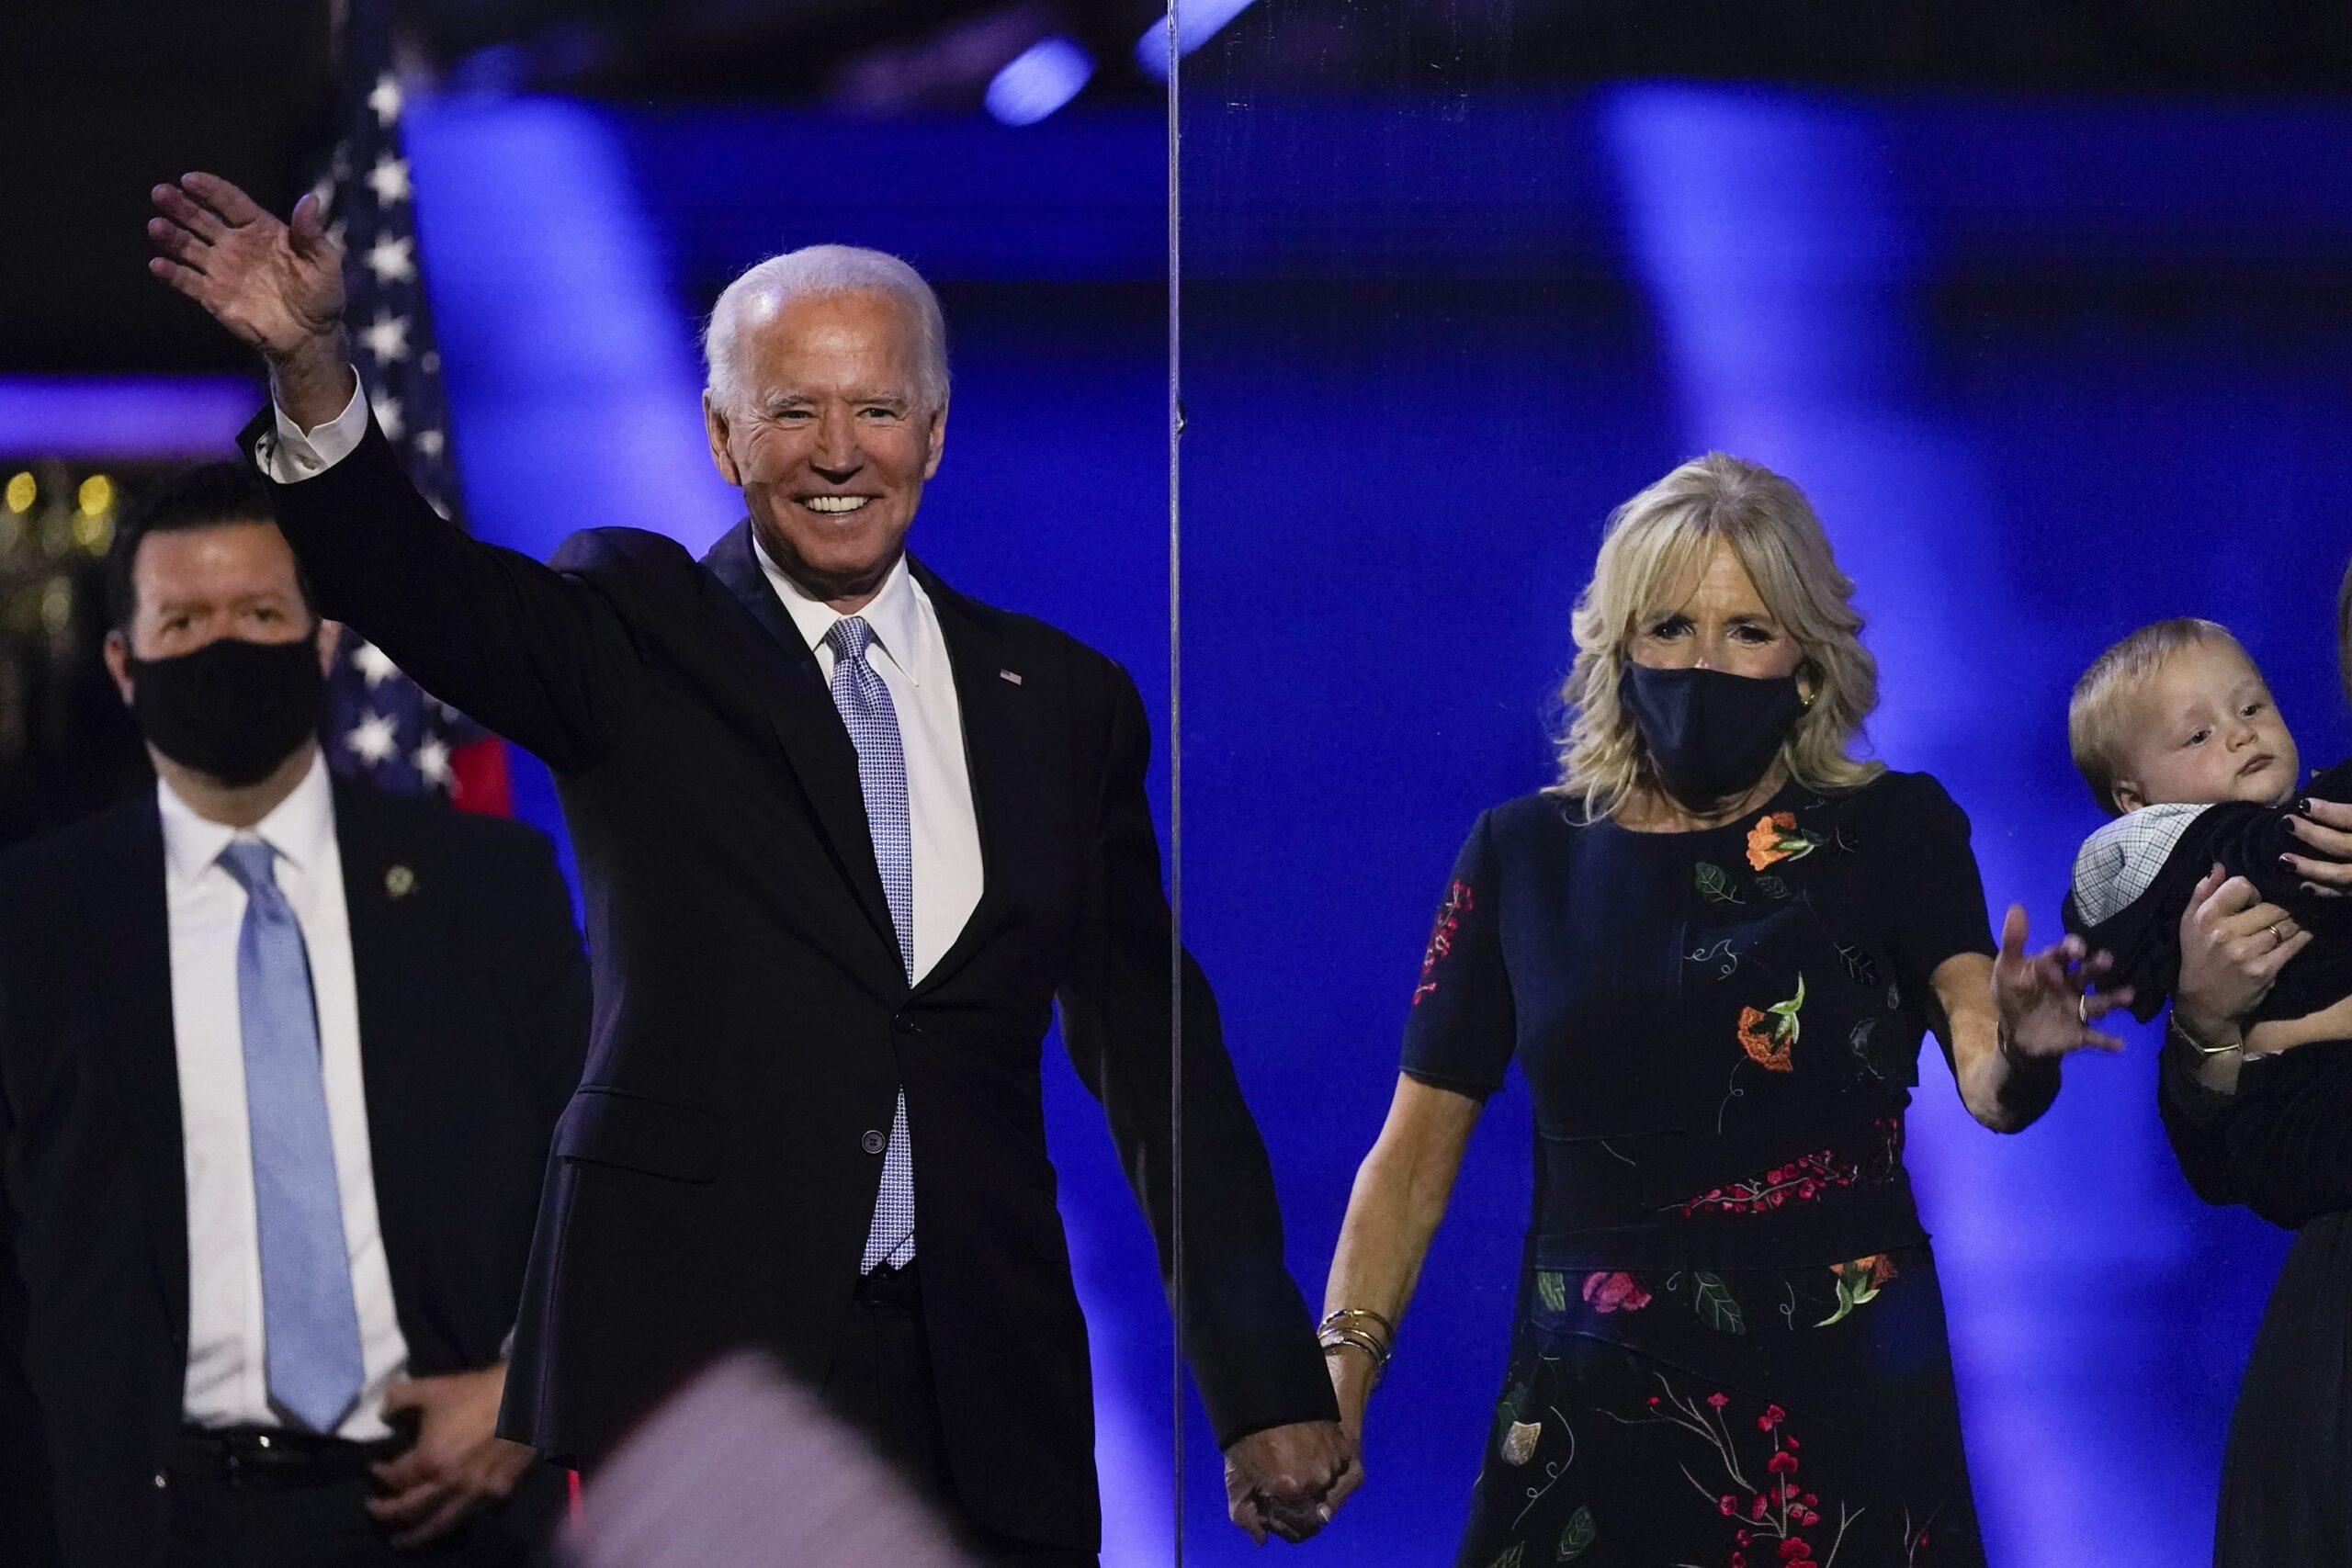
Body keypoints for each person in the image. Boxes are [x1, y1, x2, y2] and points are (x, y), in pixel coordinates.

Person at [144, 174, 1347, 1563]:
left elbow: (1158, 1056)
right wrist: (311, 369)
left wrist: (1262, 1378)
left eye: (877, 409)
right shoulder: (635, 634)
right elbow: (414, 581)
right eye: (792, 411)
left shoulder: (1062, 702)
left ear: (936, 431)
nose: (838, 453)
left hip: (990, 1386)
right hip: (711, 1385)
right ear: (722, 435)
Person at [1314, 455, 2123, 1566]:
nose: (1704, 665)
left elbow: (1986, 1066)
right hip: (1592, 1411)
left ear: (1806, 660)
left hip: (1838, 1406)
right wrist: (1336, 1380)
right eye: (1670, 628)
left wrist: (2025, 1052)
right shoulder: (1522, 855)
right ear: (1618, 648)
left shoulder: (1895, 831)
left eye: (1747, 631)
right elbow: (1409, 1162)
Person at [0, 463, 588, 1567]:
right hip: (145, 1525)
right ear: (123, 663)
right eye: (185, 622)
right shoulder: (32, 921)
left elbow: (605, 1181)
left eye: (261, 614)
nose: (224, 646)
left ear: (322, 640)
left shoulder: (487, 888)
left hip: (452, 1510)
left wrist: (531, 1388)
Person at [2121, 578, 2352, 1564]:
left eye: (2252, 706)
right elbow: (2233, 1164)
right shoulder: (2306, 841)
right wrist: (2210, 1021)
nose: (2243, 734)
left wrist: (2290, 1039)